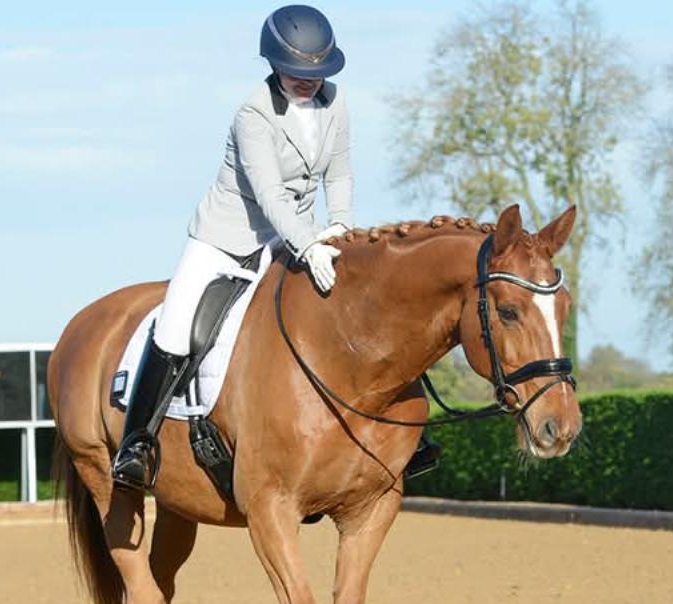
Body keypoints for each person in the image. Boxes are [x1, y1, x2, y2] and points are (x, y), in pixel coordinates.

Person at [112, 4, 438, 491]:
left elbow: (340, 173)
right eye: (296, 71)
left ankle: (404, 437)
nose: (308, 80)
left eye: (316, 72)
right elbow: (269, 194)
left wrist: (341, 230)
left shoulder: (336, 103)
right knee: (176, 327)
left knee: (360, 311)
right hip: (227, 239)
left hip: (300, 235)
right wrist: (308, 245)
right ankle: (137, 443)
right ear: (273, 63)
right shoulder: (253, 114)